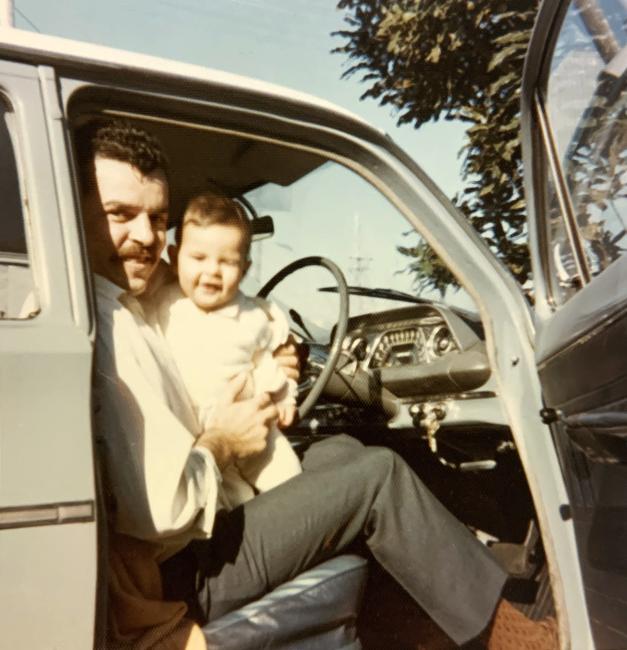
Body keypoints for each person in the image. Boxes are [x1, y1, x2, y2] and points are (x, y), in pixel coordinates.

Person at [78, 119, 558, 649]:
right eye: (119, 215)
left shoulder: (132, 297)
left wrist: (284, 352)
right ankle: (517, 641)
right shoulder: (110, 333)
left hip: (195, 537)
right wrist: (222, 442)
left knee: (342, 450)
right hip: (182, 571)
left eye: (157, 218)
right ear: (74, 212)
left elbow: (227, 302)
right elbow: (163, 513)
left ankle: (433, 604)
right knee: (378, 474)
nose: (145, 237)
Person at [150, 191, 301, 508]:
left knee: (288, 477)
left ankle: (289, 514)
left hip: (250, 421)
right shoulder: (162, 301)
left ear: (245, 268)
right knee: (221, 497)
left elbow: (268, 364)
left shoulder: (255, 316)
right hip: (190, 433)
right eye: (199, 258)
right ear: (175, 256)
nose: (212, 271)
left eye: (227, 262)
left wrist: (286, 396)